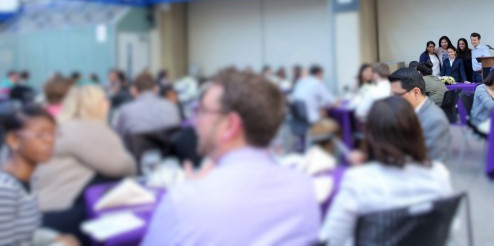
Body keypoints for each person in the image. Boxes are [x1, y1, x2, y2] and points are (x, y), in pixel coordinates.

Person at [143, 68, 320, 245]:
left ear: (230, 125)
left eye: (202, 111)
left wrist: (192, 190)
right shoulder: (304, 189)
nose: (195, 120)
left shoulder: (184, 203)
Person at [320, 96, 452, 246]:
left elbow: (331, 239)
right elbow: (448, 228)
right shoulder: (439, 173)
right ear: (416, 131)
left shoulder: (357, 181)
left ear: (370, 134)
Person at [34, 85, 136, 243]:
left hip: (37, 214)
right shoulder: (89, 129)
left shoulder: (61, 126)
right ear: (99, 104)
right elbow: (125, 167)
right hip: (60, 215)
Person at [0, 105, 79, 246]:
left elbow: (26, 235)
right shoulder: (5, 190)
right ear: (13, 140)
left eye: (53, 134)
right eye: (40, 135)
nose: (50, 141)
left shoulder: (31, 180)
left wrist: (52, 238)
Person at [388, 68, 450, 161]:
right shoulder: (409, 109)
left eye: (397, 95)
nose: (393, 100)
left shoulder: (434, 120)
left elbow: (431, 163)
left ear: (416, 92)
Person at [115, 72, 181, 137]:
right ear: (156, 89)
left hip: (137, 147)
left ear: (133, 90)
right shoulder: (171, 107)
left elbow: (118, 135)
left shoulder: (126, 110)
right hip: (166, 146)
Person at [291, 65, 339, 136]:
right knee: (337, 126)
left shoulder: (299, 83)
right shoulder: (317, 82)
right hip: (312, 122)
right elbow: (332, 102)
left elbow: (311, 100)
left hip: (298, 123)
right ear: (319, 73)